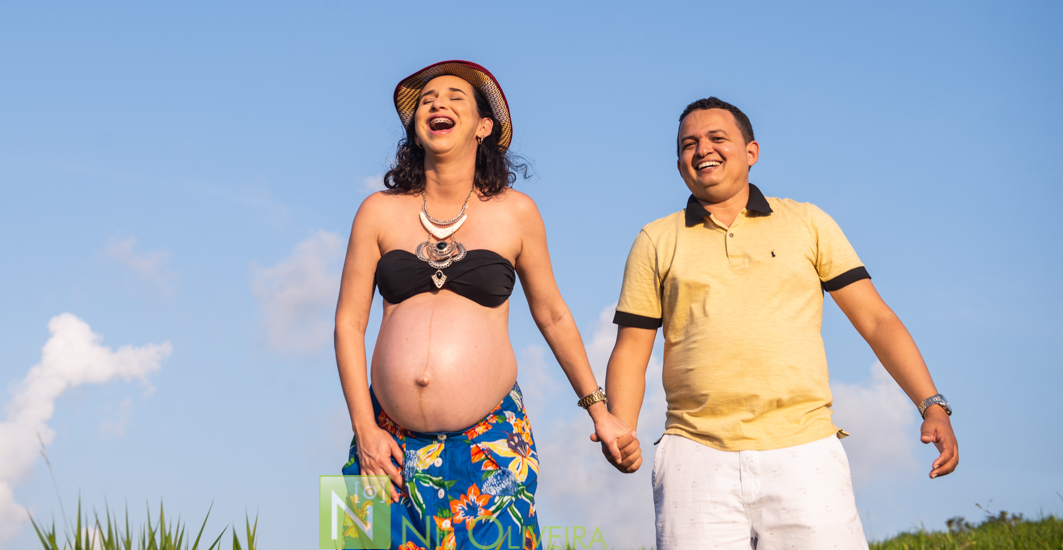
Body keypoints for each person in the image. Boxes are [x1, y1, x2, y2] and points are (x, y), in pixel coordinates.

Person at [601, 97, 959, 550]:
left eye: (716, 138)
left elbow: (876, 320)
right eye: (689, 144)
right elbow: (632, 349)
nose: (702, 149)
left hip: (805, 450)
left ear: (751, 152)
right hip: (694, 455)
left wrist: (932, 404)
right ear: (678, 165)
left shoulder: (808, 222)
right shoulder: (656, 239)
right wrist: (622, 428)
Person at [335, 60, 630, 550]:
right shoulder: (376, 211)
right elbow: (348, 324)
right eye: (427, 100)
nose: (437, 103)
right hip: (381, 443)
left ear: (483, 126)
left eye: (455, 97)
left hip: (492, 445)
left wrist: (600, 412)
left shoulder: (517, 212)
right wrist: (363, 430)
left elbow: (553, 315)